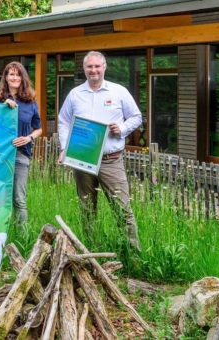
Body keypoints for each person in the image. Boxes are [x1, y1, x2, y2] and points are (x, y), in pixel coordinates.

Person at [57, 51, 142, 251]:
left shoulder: (118, 91)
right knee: (87, 209)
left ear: (104, 67)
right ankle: (90, 252)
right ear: (84, 69)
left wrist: (121, 130)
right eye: (89, 67)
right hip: (82, 159)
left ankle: (133, 254)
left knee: (122, 208)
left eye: (97, 66)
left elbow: (136, 117)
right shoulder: (75, 94)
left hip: (110, 160)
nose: (93, 70)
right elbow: (63, 121)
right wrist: (64, 148)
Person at [0, 61, 42, 224]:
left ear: (23, 77)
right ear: (5, 77)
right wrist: (2, 108)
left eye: (18, 74)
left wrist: (29, 138)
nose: (14, 77)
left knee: (19, 199)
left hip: (21, 155)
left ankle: (22, 239)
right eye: (11, 74)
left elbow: (39, 128)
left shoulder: (30, 101)